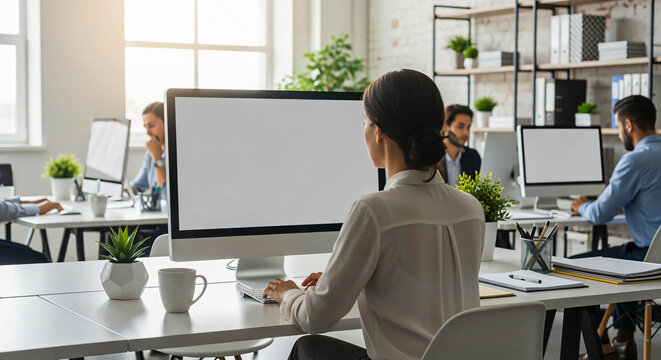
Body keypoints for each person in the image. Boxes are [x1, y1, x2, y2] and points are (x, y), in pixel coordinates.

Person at [262, 69, 485, 360]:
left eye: (364, 122)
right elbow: (418, 286)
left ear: (378, 132)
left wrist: (288, 293)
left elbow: (315, 318)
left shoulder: (373, 211)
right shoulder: (471, 208)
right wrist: (344, 277)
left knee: (306, 348)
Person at [570, 95, 661, 358]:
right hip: (653, 256)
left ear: (629, 125)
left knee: (570, 267)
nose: (620, 133)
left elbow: (599, 214)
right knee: (621, 256)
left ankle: (600, 349)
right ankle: (623, 340)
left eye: (619, 127)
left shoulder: (634, 161)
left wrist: (581, 206)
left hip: (647, 260)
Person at [129, 101, 167, 200]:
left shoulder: (176, 154)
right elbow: (138, 185)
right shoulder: (150, 154)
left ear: (167, 122)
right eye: (146, 127)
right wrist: (123, 190)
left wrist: (157, 156)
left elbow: (166, 194)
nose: (148, 133)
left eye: (152, 125)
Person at [437, 104, 481, 185]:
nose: (466, 133)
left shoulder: (473, 157)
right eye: (460, 127)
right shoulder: (433, 157)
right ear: (445, 126)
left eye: (468, 127)